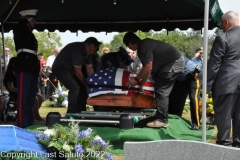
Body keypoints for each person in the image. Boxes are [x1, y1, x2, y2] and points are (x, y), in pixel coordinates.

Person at [123, 31, 184, 128]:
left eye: (128, 46)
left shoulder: (144, 46)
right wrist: (142, 85)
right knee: (159, 88)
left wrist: (135, 79)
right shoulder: (143, 46)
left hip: (173, 64)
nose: (130, 48)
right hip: (171, 64)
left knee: (161, 91)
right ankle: (160, 116)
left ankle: (162, 120)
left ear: (130, 44)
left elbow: (148, 68)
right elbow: (146, 70)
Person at [207, 10, 240, 147]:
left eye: (222, 24)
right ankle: (238, 143)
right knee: (239, 115)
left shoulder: (223, 38)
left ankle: (224, 144)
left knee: (223, 115)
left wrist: (207, 84)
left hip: (226, 82)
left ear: (226, 22)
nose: (222, 27)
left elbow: (214, 64)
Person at [52, 37, 102, 113]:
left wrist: (92, 83)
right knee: (75, 87)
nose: (91, 52)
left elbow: (89, 68)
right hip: (61, 69)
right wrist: (86, 84)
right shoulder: (76, 50)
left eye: (93, 50)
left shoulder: (88, 52)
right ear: (86, 44)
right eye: (90, 49)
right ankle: (71, 112)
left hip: (71, 70)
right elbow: (78, 72)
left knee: (82, 87)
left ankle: (81, 110)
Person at [13, 9, 40, 128]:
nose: (34, 22)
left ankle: (29, 123)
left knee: (30, 98)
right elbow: (20, 26)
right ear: (28, 20)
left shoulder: (30, 33)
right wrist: (23, 18)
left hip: (32, 66)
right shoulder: (20, 29)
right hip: (24, 64)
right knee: (23, 98)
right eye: (33, 19)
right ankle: (22, 124)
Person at [4, 57, 44, 122]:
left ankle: (33, 114)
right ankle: (37, 116)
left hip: (22, 91)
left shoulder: (17, 73)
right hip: (15, 95)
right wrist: (23, 90)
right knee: (34, 98)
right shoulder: (9, 74)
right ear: (13, 64)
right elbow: (11, 88)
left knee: (39, 96)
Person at [168, 56, 201, 130]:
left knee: (193, 98)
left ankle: (196, 124)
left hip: (193, 74)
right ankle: (175, 120)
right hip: (181, 78)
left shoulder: (170, 56)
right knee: (177, 98)